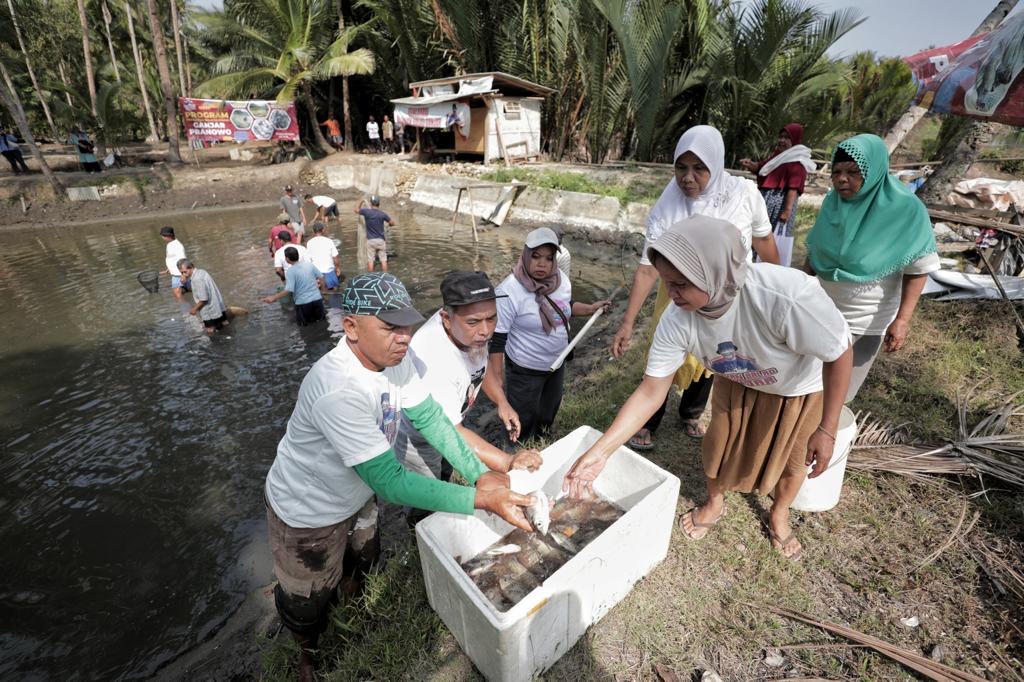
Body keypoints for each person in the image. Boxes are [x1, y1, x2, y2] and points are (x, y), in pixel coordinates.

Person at [263, 272, 534, 680]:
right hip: (309, 510)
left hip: (357, 491)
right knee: (308, 597)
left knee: (363, 561)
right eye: (390, 328)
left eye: (406, 326)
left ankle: (355, 613)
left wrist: (480, 474)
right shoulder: (338, 388)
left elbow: (432, 419)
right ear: (351, 327)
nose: (405, 338)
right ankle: (308, 653)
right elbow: (390, 481)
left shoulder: (395, 359)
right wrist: (480, 499)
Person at [564, 217, 853, 561]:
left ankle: (779, 512)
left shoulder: (783, 296)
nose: (672, 294)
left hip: (799, 388)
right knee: (718, 448)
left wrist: (828, 427)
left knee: (794, 461)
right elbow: (651, 391)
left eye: (682, 284)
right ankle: (715, 504)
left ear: (716, 273)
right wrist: (600, 452)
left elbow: (840, 351)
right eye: (667, 283)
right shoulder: (677, 318)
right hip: (738, 380)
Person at [611, 125, 780, 451]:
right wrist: (627, 322)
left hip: (728, 298)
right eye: (681, 167)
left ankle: (691, 412)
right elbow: (648, 269)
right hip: (678, 294)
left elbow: (763, 240)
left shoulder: (743, 195)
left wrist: (776, 283)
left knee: (716, 356)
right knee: (664, 353)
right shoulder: (669, 204)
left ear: (715, 165)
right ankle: (649, 421)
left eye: (699, 168)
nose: (688, 178)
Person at [804, 133, 939, 403]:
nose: (842, 179)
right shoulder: (833, 202)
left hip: (864, 322)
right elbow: (814, 251)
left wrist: (902, 321)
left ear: (874, 171)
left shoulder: (905, 210)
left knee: (836, 397)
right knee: (804, 388)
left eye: (853, 172)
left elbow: (918, 269)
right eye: (837, 172)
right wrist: (798, 291)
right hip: (818, 312)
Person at [395, 271, 543, 485]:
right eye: (474, 322)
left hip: (453, 421)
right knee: (425, 497)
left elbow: (480, 365)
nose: (486, 331)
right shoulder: (433, 357)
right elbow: (448, 432)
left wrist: (501, 402)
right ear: (446, 319)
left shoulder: (468, 333)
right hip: (419, 441)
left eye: (492, 318)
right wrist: (508, 461)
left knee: (446, 474)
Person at [485, 228, 610, 442]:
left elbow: (565, 307)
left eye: (548, 258)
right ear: (525, 255)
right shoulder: (509, 291)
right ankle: (512, 455)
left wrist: (590, 308)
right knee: (520, 419)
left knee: (547, 413)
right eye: (536, 257)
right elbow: (497, 339)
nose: (542, 264)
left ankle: (542, 444)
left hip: (556, 364)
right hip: (525, 369)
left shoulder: (560, 280)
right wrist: (497, 379)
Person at [739, 123, 816, 267]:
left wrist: (786, 211)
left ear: (795, 140)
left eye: (787, 138)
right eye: (781, 137)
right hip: (764, 201)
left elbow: (793, 188)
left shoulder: (797, 161)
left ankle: (769, 266)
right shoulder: (777, 157)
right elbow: (762, 169)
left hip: (779, 205)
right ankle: (752, 262)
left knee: (772, 236)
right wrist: (750, 165)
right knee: (757, 231)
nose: (782, 140)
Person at [262, 248, 327, 326]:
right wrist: (323, 291)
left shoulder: (290, 271)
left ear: (287, 258)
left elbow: (289, 289)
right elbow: (321, 277)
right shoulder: (309, 265)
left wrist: (273, 297)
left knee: (306, 327)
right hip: (317, 300)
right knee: (322, 324)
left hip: (303, 304)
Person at [177, 258, 229, 333]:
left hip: (210, 311)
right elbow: (196, 290)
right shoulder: (201, 272)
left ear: (191, 267)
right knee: (225, 323)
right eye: (181, 273)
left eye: (185, 272)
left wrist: (194, 309)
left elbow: (204, 299)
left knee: (210, 331)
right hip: (218, 306)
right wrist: (185, 282)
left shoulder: (197, 279)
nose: (184, 274)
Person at [355, 195, 395, 272]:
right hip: (380, 240)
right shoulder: (382, 214)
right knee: (383, 260)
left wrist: (361, 201)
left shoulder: (366, 212)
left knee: (371, 261)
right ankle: (385, 276)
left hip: (370, 241)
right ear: (378, 204)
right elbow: (392, 223)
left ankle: (371, 277)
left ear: (370, 203)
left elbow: (356, 210)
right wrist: (390, 224)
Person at [305, 222, 342, 291]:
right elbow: (335, 258)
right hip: (329, 272)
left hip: (317, 274)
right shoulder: (329, 241)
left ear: (313, 231)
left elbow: (308, 261)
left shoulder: (309, 243)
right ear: (323, 230)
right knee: (335, 292)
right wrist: (337, 268)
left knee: (321, 294)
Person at [159, 226, 189, 301]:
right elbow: (171, 259)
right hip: (175, 274)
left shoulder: (178, 246)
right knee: (181, 293)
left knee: (178, 294)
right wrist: (169, 269)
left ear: (168, 235)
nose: (162, 237)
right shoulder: (169, 244)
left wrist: (183, 275)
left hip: (179, 275)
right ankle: (188, 308)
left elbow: (183, 260)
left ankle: (186, 311)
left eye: (163, 235)